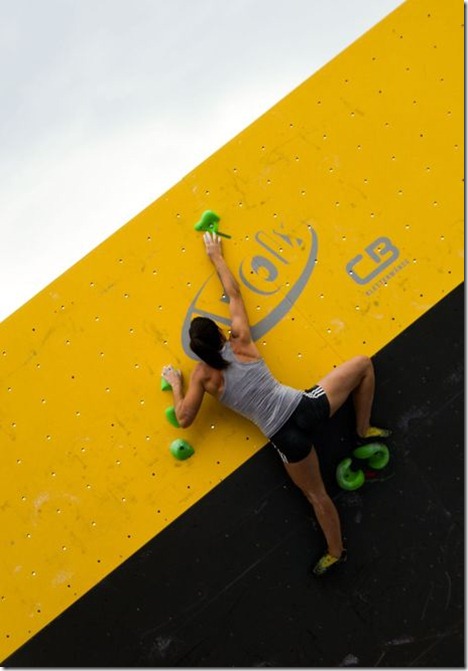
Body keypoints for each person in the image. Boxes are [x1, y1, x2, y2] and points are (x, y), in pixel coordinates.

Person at [162, 232, 390, 576]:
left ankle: (335, 552)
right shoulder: (239, 339)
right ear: (220, 333)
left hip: (285, 438)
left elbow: (184, 418)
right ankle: (362, 430)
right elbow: (234, 293)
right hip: (304, 408)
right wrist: (215, 255)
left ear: (198, 352)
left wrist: (176, 384)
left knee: (318, 497)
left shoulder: (202, 377)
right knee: (363, 365)